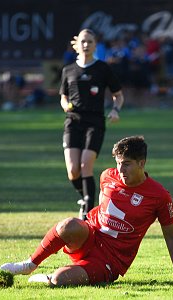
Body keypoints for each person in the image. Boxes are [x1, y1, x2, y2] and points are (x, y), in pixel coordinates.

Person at [0, 136, 173, 287]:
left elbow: (171, 238)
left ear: (142, 163)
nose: (121, 169)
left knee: (59, 280)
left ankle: (49, 277)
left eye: (127, 163)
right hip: (91, 237)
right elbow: (101, 208)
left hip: (112, 259)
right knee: (69, 225)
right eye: (118, 163)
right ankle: (29, 265)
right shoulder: (107, 176)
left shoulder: (159, 196)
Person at [59, 29, 124, 220]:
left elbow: (118, 95)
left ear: (95, 45)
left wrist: (115, 110)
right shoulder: (68, 70)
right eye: (83, 41)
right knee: (73, 170)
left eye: (90, 42)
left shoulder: (103, 68)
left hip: (95, 122)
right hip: (73, 121)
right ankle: (85, 198)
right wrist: (66, 106)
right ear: (77, 44)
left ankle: (88, 214)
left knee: (86, 165)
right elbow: (63, 96)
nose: (86, 45)